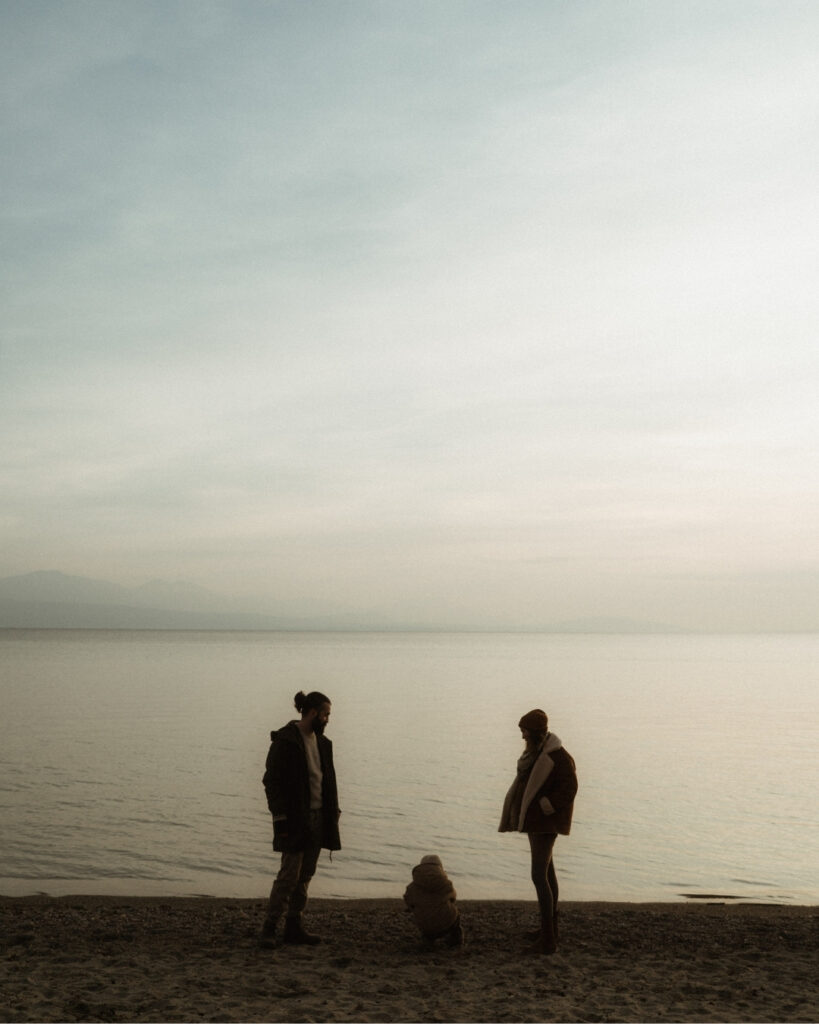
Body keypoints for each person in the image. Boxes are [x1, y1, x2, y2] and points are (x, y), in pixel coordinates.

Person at [259, 690, 340, 948]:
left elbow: (327, 781)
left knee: (305, 874)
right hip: (294, 819)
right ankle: (269, 928)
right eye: (326, 714)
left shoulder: (323, 743)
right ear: (313, 712)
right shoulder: (285, 741)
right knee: (288, 876)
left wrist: (333, 812)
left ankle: (294, 927)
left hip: (319, 817)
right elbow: (271, 782)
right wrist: (279, 817)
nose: (328, 719)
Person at [498, 709, 577, 955]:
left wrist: (548, 805)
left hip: (546, 823)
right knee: (547, 874)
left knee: (538, 876)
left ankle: (548, 941)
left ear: (535, 733)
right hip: (538, 822)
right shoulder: (537, 753)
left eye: (524, 732)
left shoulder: (558, 756)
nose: (522, 737)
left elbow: (571, 787)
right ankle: (549, 931)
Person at [403, 854, 464, 948]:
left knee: (423, 914)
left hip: (426, 927)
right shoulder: (446, 883)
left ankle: (428, 940)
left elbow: (408, 901)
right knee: (455, 912)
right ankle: (456, 939)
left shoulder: (412, 887)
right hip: (447, 924)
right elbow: (453, 898)